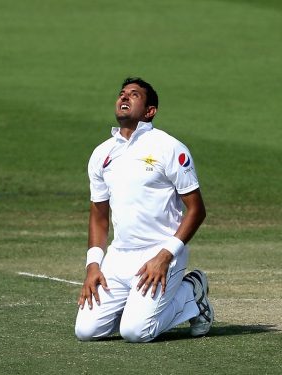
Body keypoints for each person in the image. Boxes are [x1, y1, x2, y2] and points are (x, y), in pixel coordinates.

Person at [74, 77, 213, 342]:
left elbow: (197, 209)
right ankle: (137, 304)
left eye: (134, 95)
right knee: (86, 331)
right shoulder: (101, 154)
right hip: (118, 257)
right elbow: (99, 215)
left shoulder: (169, 147)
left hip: (159, 254)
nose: (124, 98)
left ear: (150, 112)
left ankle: (191, 290)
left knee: (136, 332)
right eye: (122, 93)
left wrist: (165, 255)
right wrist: (93, 265)